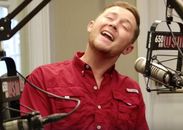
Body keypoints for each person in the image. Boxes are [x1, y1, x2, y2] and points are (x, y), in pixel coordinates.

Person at [20, 1, 149, 130]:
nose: (114, 24)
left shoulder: (133, 91)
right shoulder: (42, 78)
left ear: (128, 49)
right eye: (110, 18)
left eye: (125, 26)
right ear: (91, 26)